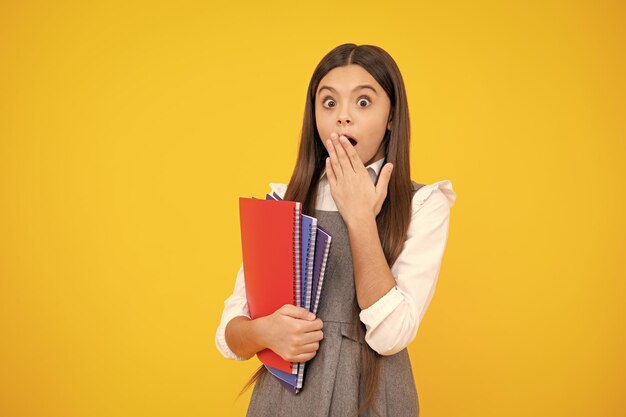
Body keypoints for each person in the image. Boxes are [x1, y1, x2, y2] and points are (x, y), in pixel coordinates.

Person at [215, 43, 456, 417]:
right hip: (285, 402)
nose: (343, 117)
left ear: (392, 116)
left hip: (373, 398)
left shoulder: (423, 204)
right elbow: (230, 335)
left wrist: (360, 217)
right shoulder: (284, 200)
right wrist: (266, 333)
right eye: (329, 103)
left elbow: (392, 335)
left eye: (363, 102)